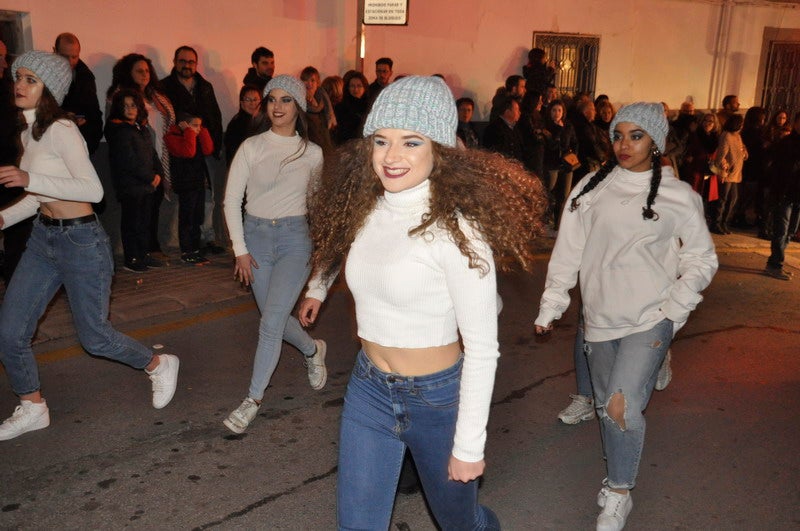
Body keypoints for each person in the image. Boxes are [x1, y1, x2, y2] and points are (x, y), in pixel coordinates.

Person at [298, 75, 546, 530]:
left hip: (437, 399)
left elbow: (483, 349)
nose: (391, 157)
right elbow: (336, 249)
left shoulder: (458, 231)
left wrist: (469, 446)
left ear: (439, 148)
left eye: (411, 142)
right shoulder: (365, 207)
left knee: (461, 523)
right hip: (369, 388)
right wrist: (317, 287)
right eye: (381, 140)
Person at [534, 102, 718, 530]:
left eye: (636, 136)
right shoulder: (589, 189)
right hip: (599, 319)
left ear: (655, 141)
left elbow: (701, 259)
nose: (625, 144)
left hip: (650, 318)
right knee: (605, 409)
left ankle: (619, 492)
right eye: (619, 135)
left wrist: (675, 308)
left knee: (620, 409)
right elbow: (568, 253)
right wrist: (553, 303)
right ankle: (617, 473)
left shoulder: (679, 196)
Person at [0, 51, 179, 441]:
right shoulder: (29, 134)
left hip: (81, 240)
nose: (20, 84)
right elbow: (37, 197)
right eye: (19, 77)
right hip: (43, 238)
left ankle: (158, 363)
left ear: (50, 88)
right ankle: (33, 407)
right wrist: (4, 218)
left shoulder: (62, 130)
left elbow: (92, 190)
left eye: (31, 79)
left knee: (95, 336)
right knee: (10, 330)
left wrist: (29, 175)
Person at [222, 75, 327, 434]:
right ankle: (313, 351)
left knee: (270, 323)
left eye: (286, 100)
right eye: (272, 100)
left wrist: (322, 256)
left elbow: (317, 207)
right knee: (274, 317)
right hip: (256, 238)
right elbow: (232, 200)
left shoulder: (312, 153)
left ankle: (252, 400)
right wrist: (240, 250)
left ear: (298, 106)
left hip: (295, 239)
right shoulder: (252, 146)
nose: (277, 106)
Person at [106, 53, 176, 256]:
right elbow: (113, 131)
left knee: (153, 205)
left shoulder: (156, 96)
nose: (144, 74)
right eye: (139, 70)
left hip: (156, 154)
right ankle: (137, 254)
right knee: (135, 214)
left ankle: (150, 247)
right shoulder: (120, 96)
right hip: (135, 163)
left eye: (147, 70)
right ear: (128, 72)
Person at [161, 46, 226, 254]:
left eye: (191, 61)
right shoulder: (164, 87)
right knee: (184, 201)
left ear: (196, 64)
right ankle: (184, 244)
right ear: (174, 61)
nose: (187, 65)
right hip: (181, 151)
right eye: (182, 61)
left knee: (207, 198)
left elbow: (215, 116)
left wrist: (214, 147)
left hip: (205, 150)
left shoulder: (205, 86)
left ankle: (205, 239)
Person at [104, 89, 163, 272]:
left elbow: (152, 154)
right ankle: (132, 258)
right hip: (131, 186)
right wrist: (149, 176)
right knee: (132, 223)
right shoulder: (120, 131)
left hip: (147, 185)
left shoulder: (141, 129)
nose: (130, 109)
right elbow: (128, 161)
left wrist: (158, 173)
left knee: (145, 222)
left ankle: (144, 253)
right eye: (125, 106)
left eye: (133, 105)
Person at [0, 38, 34, 285]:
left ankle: (15, 292)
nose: (4, 63)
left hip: (11, 176)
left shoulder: (8, 90)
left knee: (17, 237)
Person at [164, 113, 214, 265]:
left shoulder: (194, 134)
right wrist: (189, 132)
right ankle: (187, 251)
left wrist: (202, 131)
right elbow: (188, 151)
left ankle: (196, 249)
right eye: (195, 125)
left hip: (198, 182)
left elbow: (208, 149)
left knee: (197, 217)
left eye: (200, 125)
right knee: (187, 218)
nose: (198, 129)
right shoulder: (172, 136)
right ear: (184, 124)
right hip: (185, 183)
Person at [764, 112, 800, 281]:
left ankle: (775, 261)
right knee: (781, 230)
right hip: (784, 193)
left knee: (791, 231)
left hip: (797, 195)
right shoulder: (787, 143)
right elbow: (780, 169)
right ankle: (774, 265)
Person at [53, 33, 103, 155]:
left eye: (74, 57)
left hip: (80, 147)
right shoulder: (42, 76)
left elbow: (94, 116)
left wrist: (89, 145)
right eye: (65, 56)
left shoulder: (86, 78)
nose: (70, 62)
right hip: (52, 147)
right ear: (55, 51)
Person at [543, 99, 578, 229]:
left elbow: (574, 141)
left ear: (563, 112)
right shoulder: (546, 126)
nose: (556, 113)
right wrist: (558, 128)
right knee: (549, 192)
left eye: (559, 110)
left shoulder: (568, 125)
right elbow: (551, 145)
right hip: (552, 164)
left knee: (563, 196)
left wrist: (573, 154)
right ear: (549, 111)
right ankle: (545, 221)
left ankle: (559, 225)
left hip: (566, 165)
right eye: (553, 110)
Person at [711, 114, 748, 235]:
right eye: (741, 124)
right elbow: (721, 155)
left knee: (733, 199)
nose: (742, 126)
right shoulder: (726, 135)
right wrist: (724, 167)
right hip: (727, 174)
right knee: (723, 199)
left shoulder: (738, 136)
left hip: (736, 173)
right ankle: (716, 223)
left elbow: (741, 151)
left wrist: (744, 153)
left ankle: (724, 223)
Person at [224, 85, 268, 165]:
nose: (252, 103)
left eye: (255, 99)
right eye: (248, 100)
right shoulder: (236, 124)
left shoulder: (264, 121)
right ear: (242, 103)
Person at [334, 71, 370, 144]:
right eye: (352, 86)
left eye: (359, 86)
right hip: (347, 146)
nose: (355, 89)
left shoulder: (370, 106)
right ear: (348, 88)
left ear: (364, 87)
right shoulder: (341, 107)